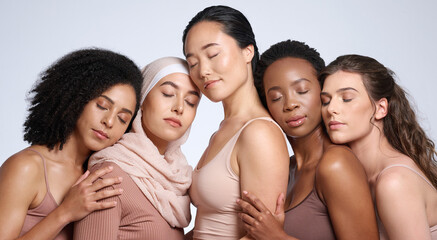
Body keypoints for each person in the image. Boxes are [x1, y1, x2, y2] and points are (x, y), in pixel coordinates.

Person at [236, 40, 379, 239]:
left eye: (302, 90)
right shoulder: (285, 169)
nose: (290, 104)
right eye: (276, 97)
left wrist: (278, 237)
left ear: (322, 92)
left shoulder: (336, 164)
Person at [0, 48, 143, 240]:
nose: (109, 122)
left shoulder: (97, 173)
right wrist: (65, 212)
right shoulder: (27, 167)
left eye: (122, 118)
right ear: (76, 98)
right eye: (102, 106)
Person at [182, 5, 290, 240]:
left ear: (247, 52)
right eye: (193, 63)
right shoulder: (223, 131)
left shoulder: (259, 133)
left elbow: (259, 237)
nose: (203, 71)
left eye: (212, 55)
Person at [73, 57, 201, 240]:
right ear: (142, 98)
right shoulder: (109, 175)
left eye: (190, 102)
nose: (179, 107)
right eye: (168, 93)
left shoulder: (178, 180)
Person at [319, 54, 437, 239]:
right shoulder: (353, 177)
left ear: (381, 108)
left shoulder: (394, 182)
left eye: (347, 98)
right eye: (325, 101)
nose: (331, 108)